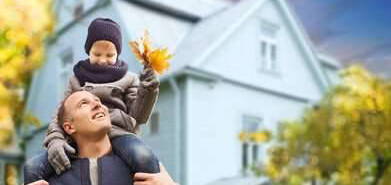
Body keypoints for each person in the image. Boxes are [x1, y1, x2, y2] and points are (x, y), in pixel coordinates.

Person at [24, 17, 161, 182]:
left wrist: (148, 89)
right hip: (79, 136)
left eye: (110, 55)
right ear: (88, 51)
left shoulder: (129, 78)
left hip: (119, 133)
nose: (103, 60)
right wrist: (56, 140)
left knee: (143, 156)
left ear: (118, 54)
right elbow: (61, 113)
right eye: (97, 54)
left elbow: (139, 115)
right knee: (33, 167)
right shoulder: (77, 79)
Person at [25, 91, 178, 185]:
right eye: (83, 104)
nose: (98, 105)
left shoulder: (143, 169)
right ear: (69, 127)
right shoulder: (51, 179)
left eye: (98, 101)